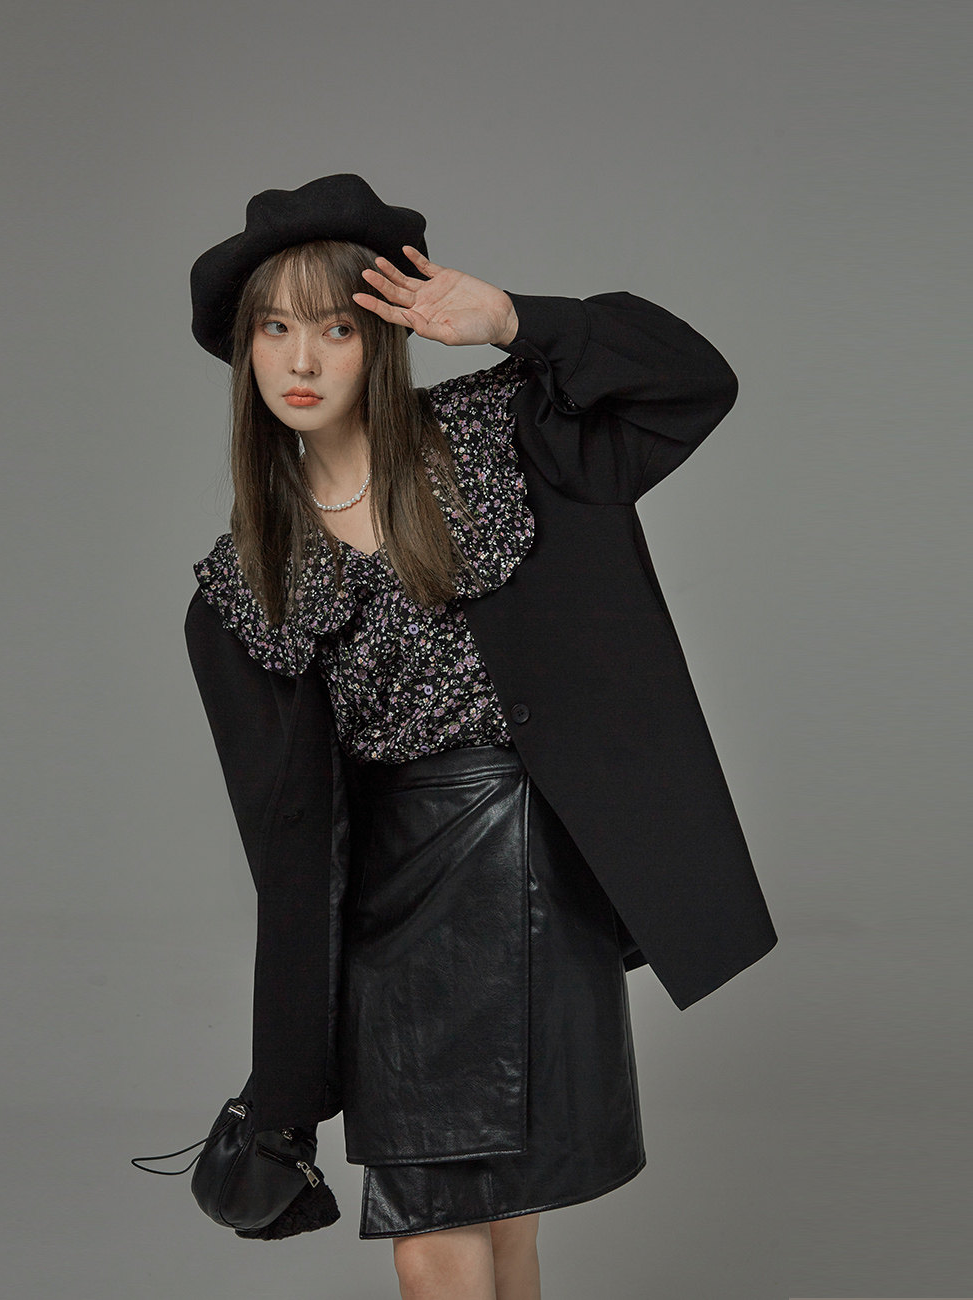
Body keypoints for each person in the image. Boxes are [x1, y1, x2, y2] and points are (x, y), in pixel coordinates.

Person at [183, 174, 777, 1298]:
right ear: (244, 350)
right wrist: (283, 1080)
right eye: (275, 330)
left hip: (527, 873)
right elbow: (287, 845)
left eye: (337, 329)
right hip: (388, 915)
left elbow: (693, 381)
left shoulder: (497, 437)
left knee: (470, 1238)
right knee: (476, 1239)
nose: (302, 361)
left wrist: (510, 319)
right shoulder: (240, 588)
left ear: (383, 339)